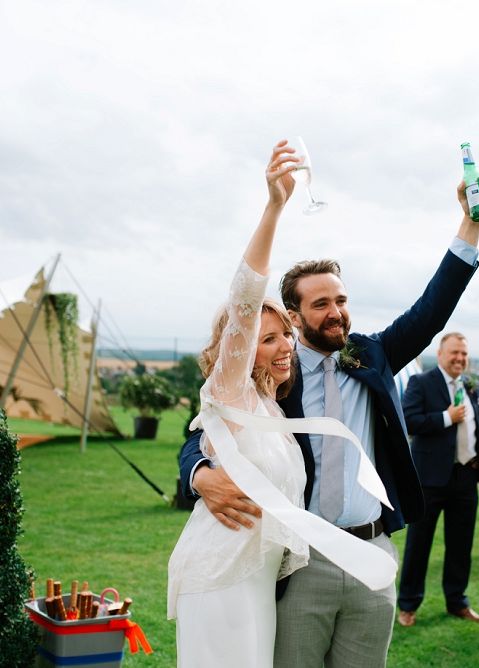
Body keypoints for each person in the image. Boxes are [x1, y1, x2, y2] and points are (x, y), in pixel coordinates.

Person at [178, 166, 479, 666]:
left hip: (373, 553)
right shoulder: (271, 376)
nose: (337, 312)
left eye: (342, 300)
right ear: (293, 312)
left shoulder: (373, 354)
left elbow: (433, 309)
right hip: (301, 563)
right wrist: (198, 474)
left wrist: (471, 224)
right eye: (321, 303)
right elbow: (203, 432)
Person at [168, 141, 396, 667]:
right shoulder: (229, 391)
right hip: (224, 578)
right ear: (239, 347)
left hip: (263, 584)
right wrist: (274, 207)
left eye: (286, 335)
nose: (283, 346)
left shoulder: (277, 407)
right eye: (264, 338)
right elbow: (246, 299)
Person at [396, 332, 479, 628]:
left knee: (461, 545)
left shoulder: (473, 385)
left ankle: (457, 602)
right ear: (440, 354)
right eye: (454, 353)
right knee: (419, 544)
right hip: (429, 479)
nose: (460, 359)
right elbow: (409, 419)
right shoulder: (422, 383)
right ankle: (408, 605)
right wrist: (445, 418)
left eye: (464, 354)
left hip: (466, 476)